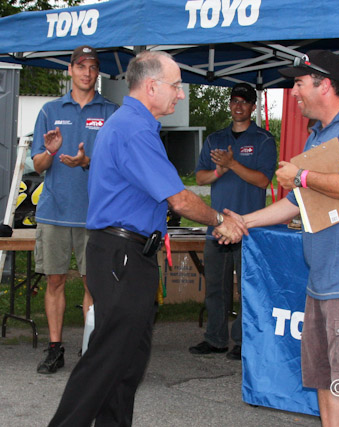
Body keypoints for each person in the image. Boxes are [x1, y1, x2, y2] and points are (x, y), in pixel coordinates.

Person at [48, 51, 247, 427]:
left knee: (127, 364)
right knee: (107, 359)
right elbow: (180, 199)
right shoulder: (134, 129)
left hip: (129, 255)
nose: (181, 94)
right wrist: (221, 220)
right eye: (176, 86)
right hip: (121, 255)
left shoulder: (134, 125)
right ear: (152, 86)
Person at [233, 50, 339, 427]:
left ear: (324, 86)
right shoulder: (318, 136)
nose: (293, 92)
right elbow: (295, 202)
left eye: (299, 83)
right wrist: (242, 221)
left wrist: (300, 176)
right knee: (326, 379)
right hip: (321, 282)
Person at [31, 45, 118, 374]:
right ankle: (55, 349)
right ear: (70, 70)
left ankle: (90, 349)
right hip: (54, 212)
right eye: (81, 66)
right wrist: (51, 151)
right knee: (54, 281)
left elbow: (118, 164)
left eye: (93, 67)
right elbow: (38, 165)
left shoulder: (111, 111)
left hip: (95, 214)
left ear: (98, 72)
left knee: (92, 284)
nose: (87, 72)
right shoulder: (50, 110)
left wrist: (86, 161)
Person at [189, 83, 277, 360]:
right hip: (218, 227)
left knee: (247, 288)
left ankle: (243, 342)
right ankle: (215, 339)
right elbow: (200, 177)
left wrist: (233, 164)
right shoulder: (215, 139)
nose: (238, 106)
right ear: (229, 104)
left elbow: (263, 180)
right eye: (234, 101)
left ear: (253, 107)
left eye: (244, 101)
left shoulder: (263, 140)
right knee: (215, 287)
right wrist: (220, 169)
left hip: (249, 228)